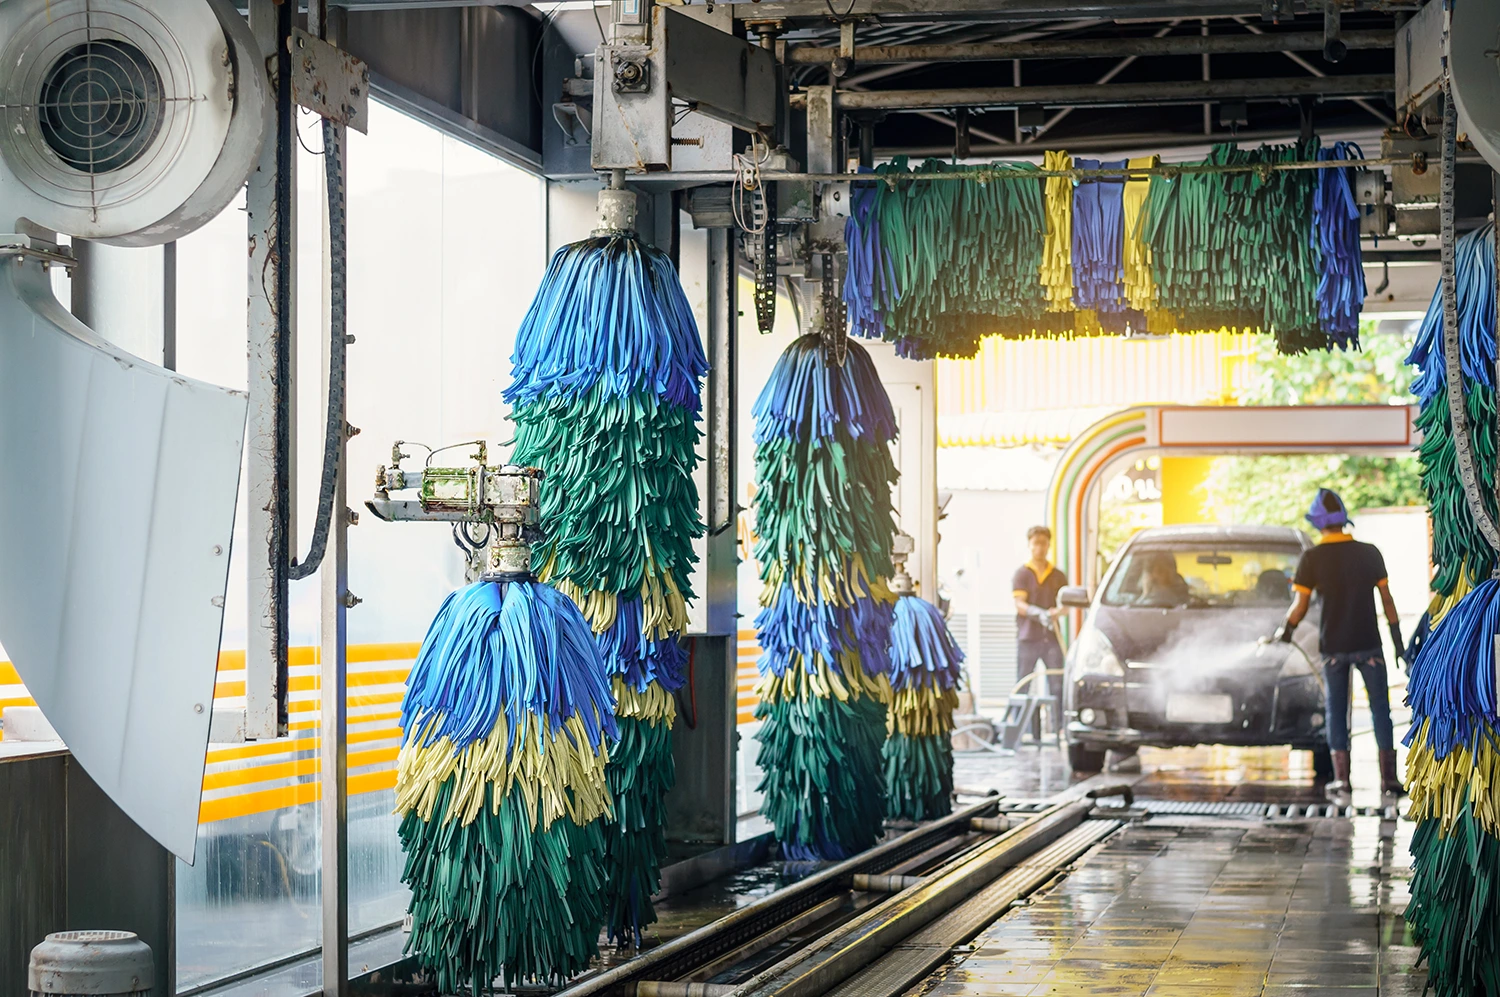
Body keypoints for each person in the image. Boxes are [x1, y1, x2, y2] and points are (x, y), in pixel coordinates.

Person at [1275, 488, 1406, 802]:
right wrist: (1398, 643)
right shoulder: (1370, 552)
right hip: (1370, 646)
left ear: (1318, 523)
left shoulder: (1312, 558)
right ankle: (1389, 780)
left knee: (1336, 712)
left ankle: (1342, 782)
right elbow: (1387, 601)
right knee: (1380, 711)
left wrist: (1286, 631)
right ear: (1343, 519)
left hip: (1333, 649)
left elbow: (1300, 606)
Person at [1013, 525, 1067, 737]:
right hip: (1028, 637)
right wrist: (1037, 613)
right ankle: (1019, 729)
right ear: (1029, 545)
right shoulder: (1022, 574)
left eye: (1043, 543)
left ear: (1049, 545)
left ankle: (1059, 728)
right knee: (1023, 682)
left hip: (1051, 638)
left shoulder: (1057, 575)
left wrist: (1056, 612)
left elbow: (1066, 605)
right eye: (1036, 543)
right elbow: (1019, 603)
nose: (1040, 548)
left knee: (1057, 683)